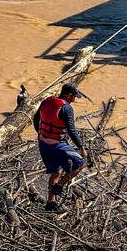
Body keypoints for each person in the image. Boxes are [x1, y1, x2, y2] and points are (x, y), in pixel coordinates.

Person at [33, 82, 87, 210]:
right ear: (68, 95)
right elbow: (71, 130)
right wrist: (81, 147)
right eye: (74, 97)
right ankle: (59, 186)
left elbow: (35, 119)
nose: (74, 99)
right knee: (80, 163)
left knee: (56, 172)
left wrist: (41, 134)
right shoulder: (67, 108)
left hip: (43, 144)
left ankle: (51, 202)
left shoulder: (46, 101)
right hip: (57, 145)